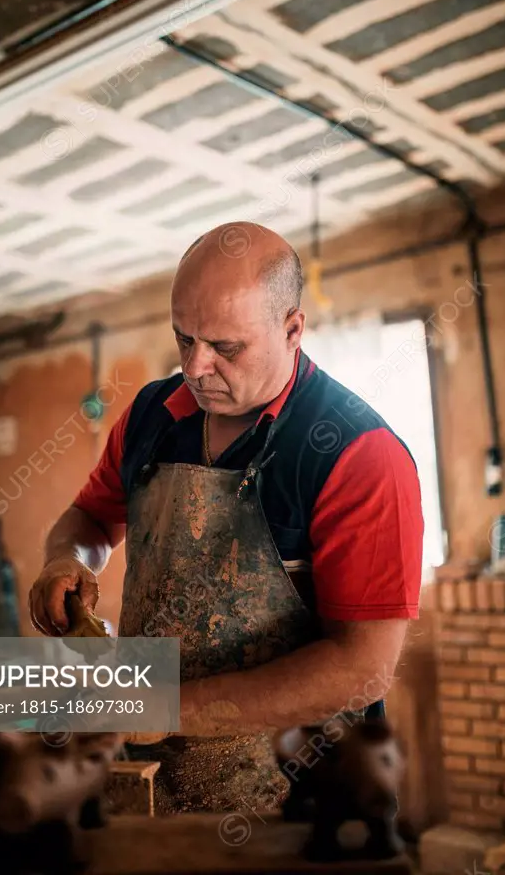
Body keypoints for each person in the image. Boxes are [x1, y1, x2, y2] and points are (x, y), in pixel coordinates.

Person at [29, 222, 423, 813]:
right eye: (183, 338)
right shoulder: (150, 417)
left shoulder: (358, 454)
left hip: (298, 797)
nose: (195, 365)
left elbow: (360, 669)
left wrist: (168, 708)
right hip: (152, 780)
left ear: (292, 329)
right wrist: (67, 557)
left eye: (225, 347)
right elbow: (89, 516)